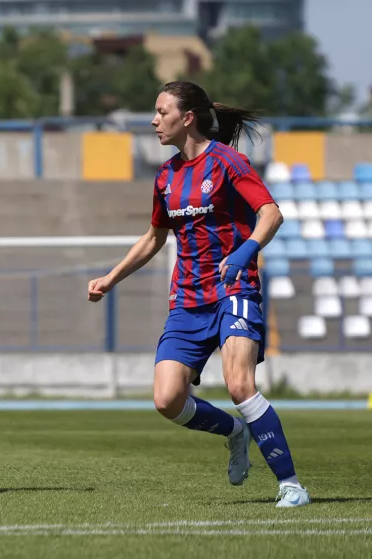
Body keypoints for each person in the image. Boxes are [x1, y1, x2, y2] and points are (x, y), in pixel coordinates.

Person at [87, 81, 309, 508]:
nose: (153, 120)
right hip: (187, 300)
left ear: (186, 117)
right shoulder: (166, 176)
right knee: (167, 399)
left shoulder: (228, 161)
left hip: (233, 290)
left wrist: (245, 252)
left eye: (161, 111)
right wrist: (111, 277)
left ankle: (291, 485)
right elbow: (154, 238)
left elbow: (271, 213)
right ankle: (234, 432)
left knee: (239, 383)